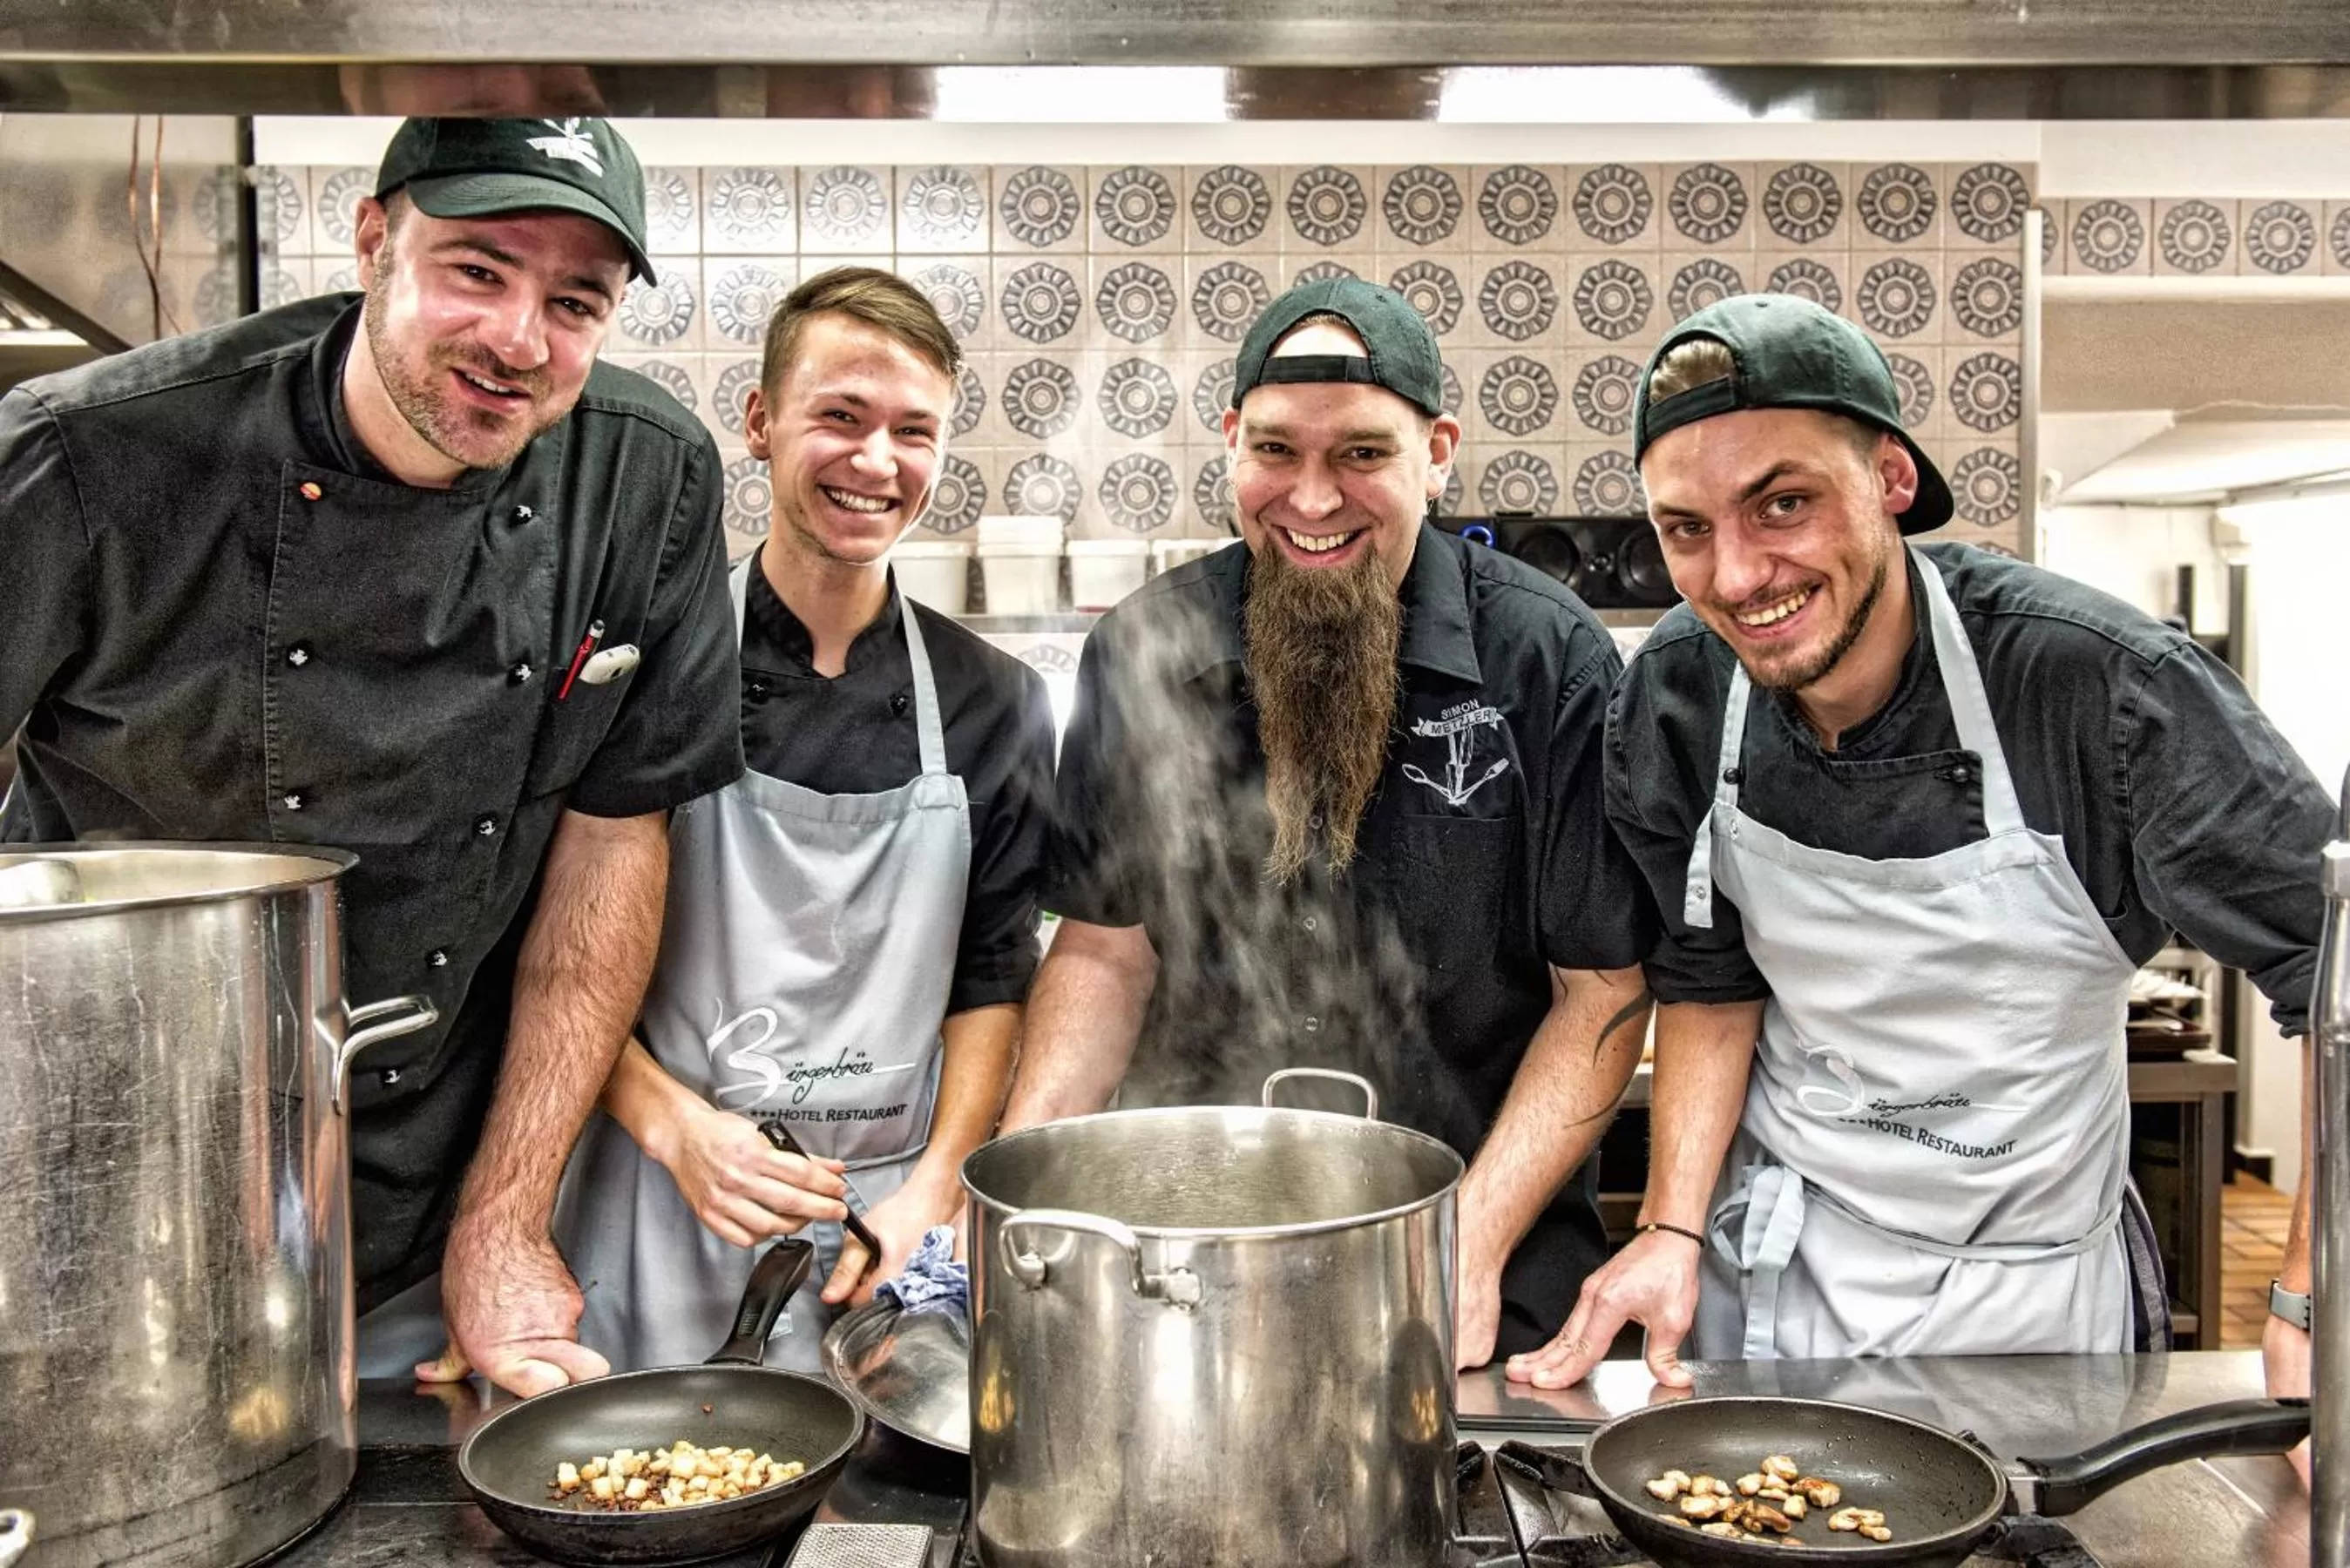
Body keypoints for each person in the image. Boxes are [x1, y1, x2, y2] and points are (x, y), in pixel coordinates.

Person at [0, 117, 744, 1397]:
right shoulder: (88, 456)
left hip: (425, 1189)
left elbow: (611, 837)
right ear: (372, 243)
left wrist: (506, 1220)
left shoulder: (646, 479)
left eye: (576, 301)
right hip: (103, 1161)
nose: (519, 341)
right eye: (477, 270)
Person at [1509, 294, 2333, 1390]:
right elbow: (1709, 976)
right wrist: (1671, 1229)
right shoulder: (1681, 694)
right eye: (1687, 530)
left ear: (1892, 481)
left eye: (1784, 504)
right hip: (1784, 1275)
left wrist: (2313, 1302)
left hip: (2038, 1297)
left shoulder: (2102, 691)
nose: (1740, 576)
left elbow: (2334, 974)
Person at [996, 276, 1656, 1369]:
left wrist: (1466, 1242)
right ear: (1229, 443)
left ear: (1437, 452)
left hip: (1474, 1289)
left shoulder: (1548, 661)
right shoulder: (1143, 651)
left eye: (1360, 455)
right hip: (1188, 1271)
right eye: (1275, 452)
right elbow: (1106, 958)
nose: (1310, 500)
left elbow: (1603, 998)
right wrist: (1019, 1194)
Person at [553, 267, 1056, 1370]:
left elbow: (993, 975)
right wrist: (673, 1128)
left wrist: (939, 1183)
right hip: (664, 1194)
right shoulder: (643, 671)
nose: (877, 462)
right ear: (760, 423)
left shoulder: (995, 701)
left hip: (887, 1222)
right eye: (840, 416)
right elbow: (554, 957)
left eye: (913, 431)